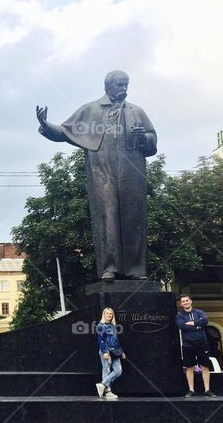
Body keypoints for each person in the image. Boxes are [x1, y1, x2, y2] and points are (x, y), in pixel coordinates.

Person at [36, 71, 157, 280]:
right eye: (119, 85)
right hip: (104, 173)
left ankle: (136, 270)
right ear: (107, 86)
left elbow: (152, 141)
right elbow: (64, 132)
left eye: (126, 85)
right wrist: (46, 126)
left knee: (133, 220)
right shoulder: (91, 110)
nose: (124, 89)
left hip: (132, 174)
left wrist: (143, 138)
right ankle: (110, 268)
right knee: (107, 218)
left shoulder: (137, 112)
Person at [176, 294, 216, 398]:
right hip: (187, 344)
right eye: (183, 301)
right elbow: (182, 326)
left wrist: (192, 323)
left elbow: (205, 321)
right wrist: (198, 326)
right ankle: (191, 390)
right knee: (189, 367)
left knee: (205, 366)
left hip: (201, 343)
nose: (185, 302)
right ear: (181, 304)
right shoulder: (179, 316)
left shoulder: (199, 312)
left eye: (187, 300)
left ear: (191, 301)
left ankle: (207, 390)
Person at [95, 307, 124, 400]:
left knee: (118, 371)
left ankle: (102, 384)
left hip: (115, 352)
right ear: (104, 315)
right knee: (106, 370)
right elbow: (100, 340)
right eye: (107, 313)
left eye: (110, 313)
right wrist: (104, 352)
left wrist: (121, 351)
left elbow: (116, 340)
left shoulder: (113, 326)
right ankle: (108, 392)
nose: (109, 315)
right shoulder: (100, 326)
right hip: (107, 351)